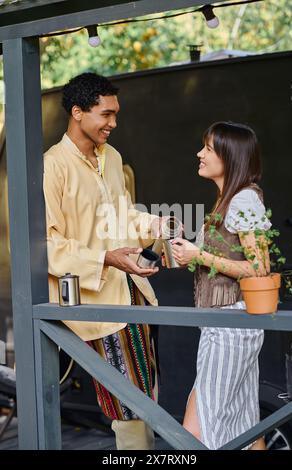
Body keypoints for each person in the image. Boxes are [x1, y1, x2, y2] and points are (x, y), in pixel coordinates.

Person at [43, 73, 162, 450]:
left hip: (135, 290)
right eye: (106, 114)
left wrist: (158, 224)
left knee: (144, 391)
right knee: (126, 403)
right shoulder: (52, 166)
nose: (113, 123)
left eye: (116, 114)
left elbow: (124, 216)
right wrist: (106, 258)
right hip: (96, 302)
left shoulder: (113, 158)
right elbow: (45, 244)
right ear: (77, 112)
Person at [171, 121, 271, 450]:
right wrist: (189, 256)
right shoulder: (229, 200)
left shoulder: (243, 200)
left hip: (230, 326)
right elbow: (222, 260)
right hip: (228, 324)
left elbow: (259, 269)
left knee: (196, 431)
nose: (199, 154)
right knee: (244, 423)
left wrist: (200, 255)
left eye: (209, 149)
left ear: (229, 157)